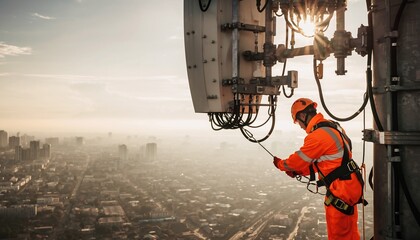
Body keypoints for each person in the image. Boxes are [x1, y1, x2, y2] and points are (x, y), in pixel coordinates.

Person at [273, 98, 366, 240]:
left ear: (303, 116)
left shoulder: (318, 136)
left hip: (341, 188)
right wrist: (299, 172)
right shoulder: (333, 126)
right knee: (349, 231)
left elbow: (297, 161)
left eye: (298, 122)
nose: (300, 126)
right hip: (349, 183)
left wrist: (281, 164)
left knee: (339, 235)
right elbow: (325, 161)